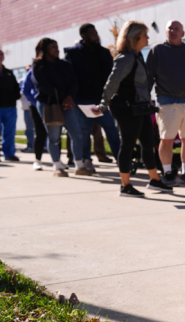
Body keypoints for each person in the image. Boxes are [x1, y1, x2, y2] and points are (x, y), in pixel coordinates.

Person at [92, 21, 172, 197]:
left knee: (148, 143)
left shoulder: (136, 56)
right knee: (128, 145)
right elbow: (112, 83)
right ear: (134, 37)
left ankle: (154, 180)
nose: (148, 37)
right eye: (145, 34)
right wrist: (103, 104)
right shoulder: (125, 58)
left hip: (140, 106)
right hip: (126, 108)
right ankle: (125, 186)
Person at [147, 20, 185, 186]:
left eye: (176, 28)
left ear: (183, 34)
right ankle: (168, 172)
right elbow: (148, 76)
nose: (173, 31)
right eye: (170, 28)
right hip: (167, 101)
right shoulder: (157, 51)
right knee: (167, 139)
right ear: (165, 32)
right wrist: (145, 98)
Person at [64, 23, 122, 170]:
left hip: (100, 99)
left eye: (96, 33)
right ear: (83, 35)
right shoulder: (72, 53)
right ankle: (86, 160)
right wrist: (70, 96)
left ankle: (121, 158)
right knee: (84, 130)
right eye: (92, 34)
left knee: (110, 127)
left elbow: (110, 75)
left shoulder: (103, 52)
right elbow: (69, 77)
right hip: (82, 99)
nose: (96, 37)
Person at [32, 38, 83, 177]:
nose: (57, 49)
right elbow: (43, 86)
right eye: (53, 47)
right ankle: (57, 165)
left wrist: (70, 97)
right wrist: (63, 97)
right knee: (54, 136)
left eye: (57, 46)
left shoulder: (65, 64)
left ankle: (79, 164)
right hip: (49, 104)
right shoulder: (38, 65)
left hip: (68, 104)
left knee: (77, 134)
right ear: (45, 50)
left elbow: (74, 82)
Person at [21, 66, 49, 170]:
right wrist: (35, 103)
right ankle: (38, 160)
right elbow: (25, 90)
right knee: (40, 132)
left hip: (54, 105)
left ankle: (57, 160)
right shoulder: (33, 71)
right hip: (36, 106)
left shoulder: (54, 67)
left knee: (55, 133)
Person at [0, 48, 19, 162]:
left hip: (10, 107)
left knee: (10, 131)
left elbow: (16, 88)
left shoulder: (9, 72)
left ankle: (9, 154)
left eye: (2, 54)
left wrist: (14, 97)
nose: (1, 56)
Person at [18, 68, 34, 152]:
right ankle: (30, 145)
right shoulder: (21, 81)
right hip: (27, 108)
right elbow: (19, 94)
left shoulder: (37, 78)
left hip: (36, 107)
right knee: (29, 128)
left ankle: (44, 146)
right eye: (27, 69)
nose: (29, 71)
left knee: (41, 129)